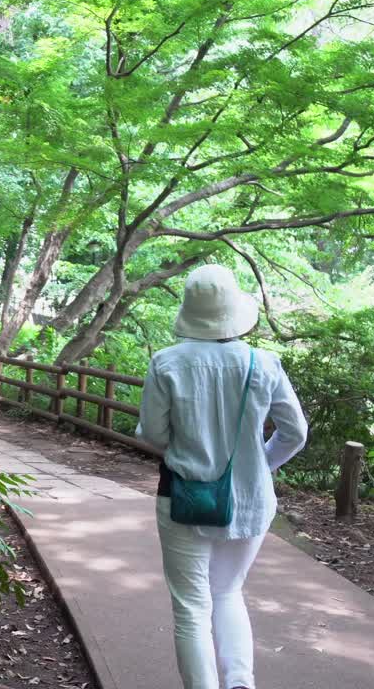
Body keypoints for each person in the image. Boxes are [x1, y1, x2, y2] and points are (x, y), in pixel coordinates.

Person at [137, 265, 308, 689]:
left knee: (191, 609)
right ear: (233, 311)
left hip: (182, 496)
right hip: (250, 498)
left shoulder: (167, 363)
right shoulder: (263, 363)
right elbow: (296, 433)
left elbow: (153, 434)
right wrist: (259, 467)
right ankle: (241, 684)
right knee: (228, 592)